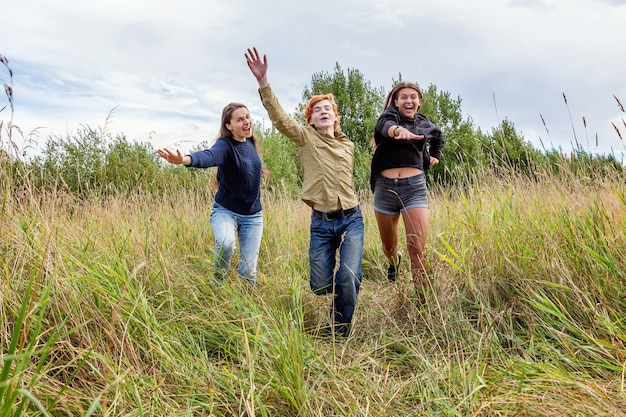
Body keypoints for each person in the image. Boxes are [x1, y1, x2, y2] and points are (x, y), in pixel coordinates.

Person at [245, 47, 364, 337]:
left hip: (352, 218)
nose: (323, 113)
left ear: (336, 119)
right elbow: (280, 119)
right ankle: (341, 292)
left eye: (329, 110)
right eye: (317, 111)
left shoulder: (348, 145)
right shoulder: (305, 138)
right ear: (310, 121)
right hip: (321, 223)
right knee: (321, 285)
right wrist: (264, 82)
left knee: (348, 276)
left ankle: (338, 329)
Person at [157, 102, 265, 285]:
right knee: (226, 245)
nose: (247, 122)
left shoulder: (250, 143)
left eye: (247, 117)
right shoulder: (225, 146)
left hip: (253, 216)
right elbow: (209, 156)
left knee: (248, 271)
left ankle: (247, 307)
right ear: (228, 126)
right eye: (240, 119)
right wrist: (184, 159)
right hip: (226, 212)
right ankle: (218, 284)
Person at [370, 82, 444, 288]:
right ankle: (394, 262)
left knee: (417, 247)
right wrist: (398, 131)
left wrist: (435, 156)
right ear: (395, 101)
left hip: (414, 188)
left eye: (413, 96)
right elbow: (385, 128)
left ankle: (422, 306)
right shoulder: (387, 118)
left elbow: (438, 137)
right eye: (403, 97)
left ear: (419, 102)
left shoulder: (424, 123)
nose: (408, 100)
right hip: (385, 189)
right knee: (388, 246)